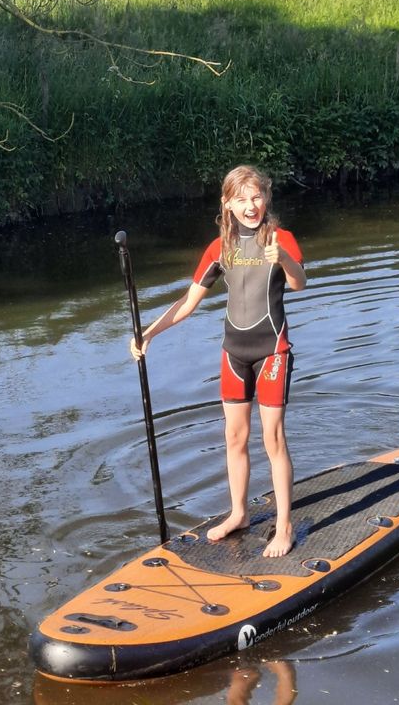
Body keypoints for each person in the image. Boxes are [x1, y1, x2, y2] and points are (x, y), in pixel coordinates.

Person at [130, 165, 306, 558]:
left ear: (267, 198)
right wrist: (149, 334)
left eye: (256, 197)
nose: (250, 206)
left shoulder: (281, 240)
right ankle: (239, 513)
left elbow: (299, 283)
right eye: (241, 199)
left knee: (272, 438)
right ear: (227, 203)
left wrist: (285, 262)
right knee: (234, 437)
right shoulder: (219, 248)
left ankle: (284, 526)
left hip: (272, 352)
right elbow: (188, 303)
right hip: (234, 354)